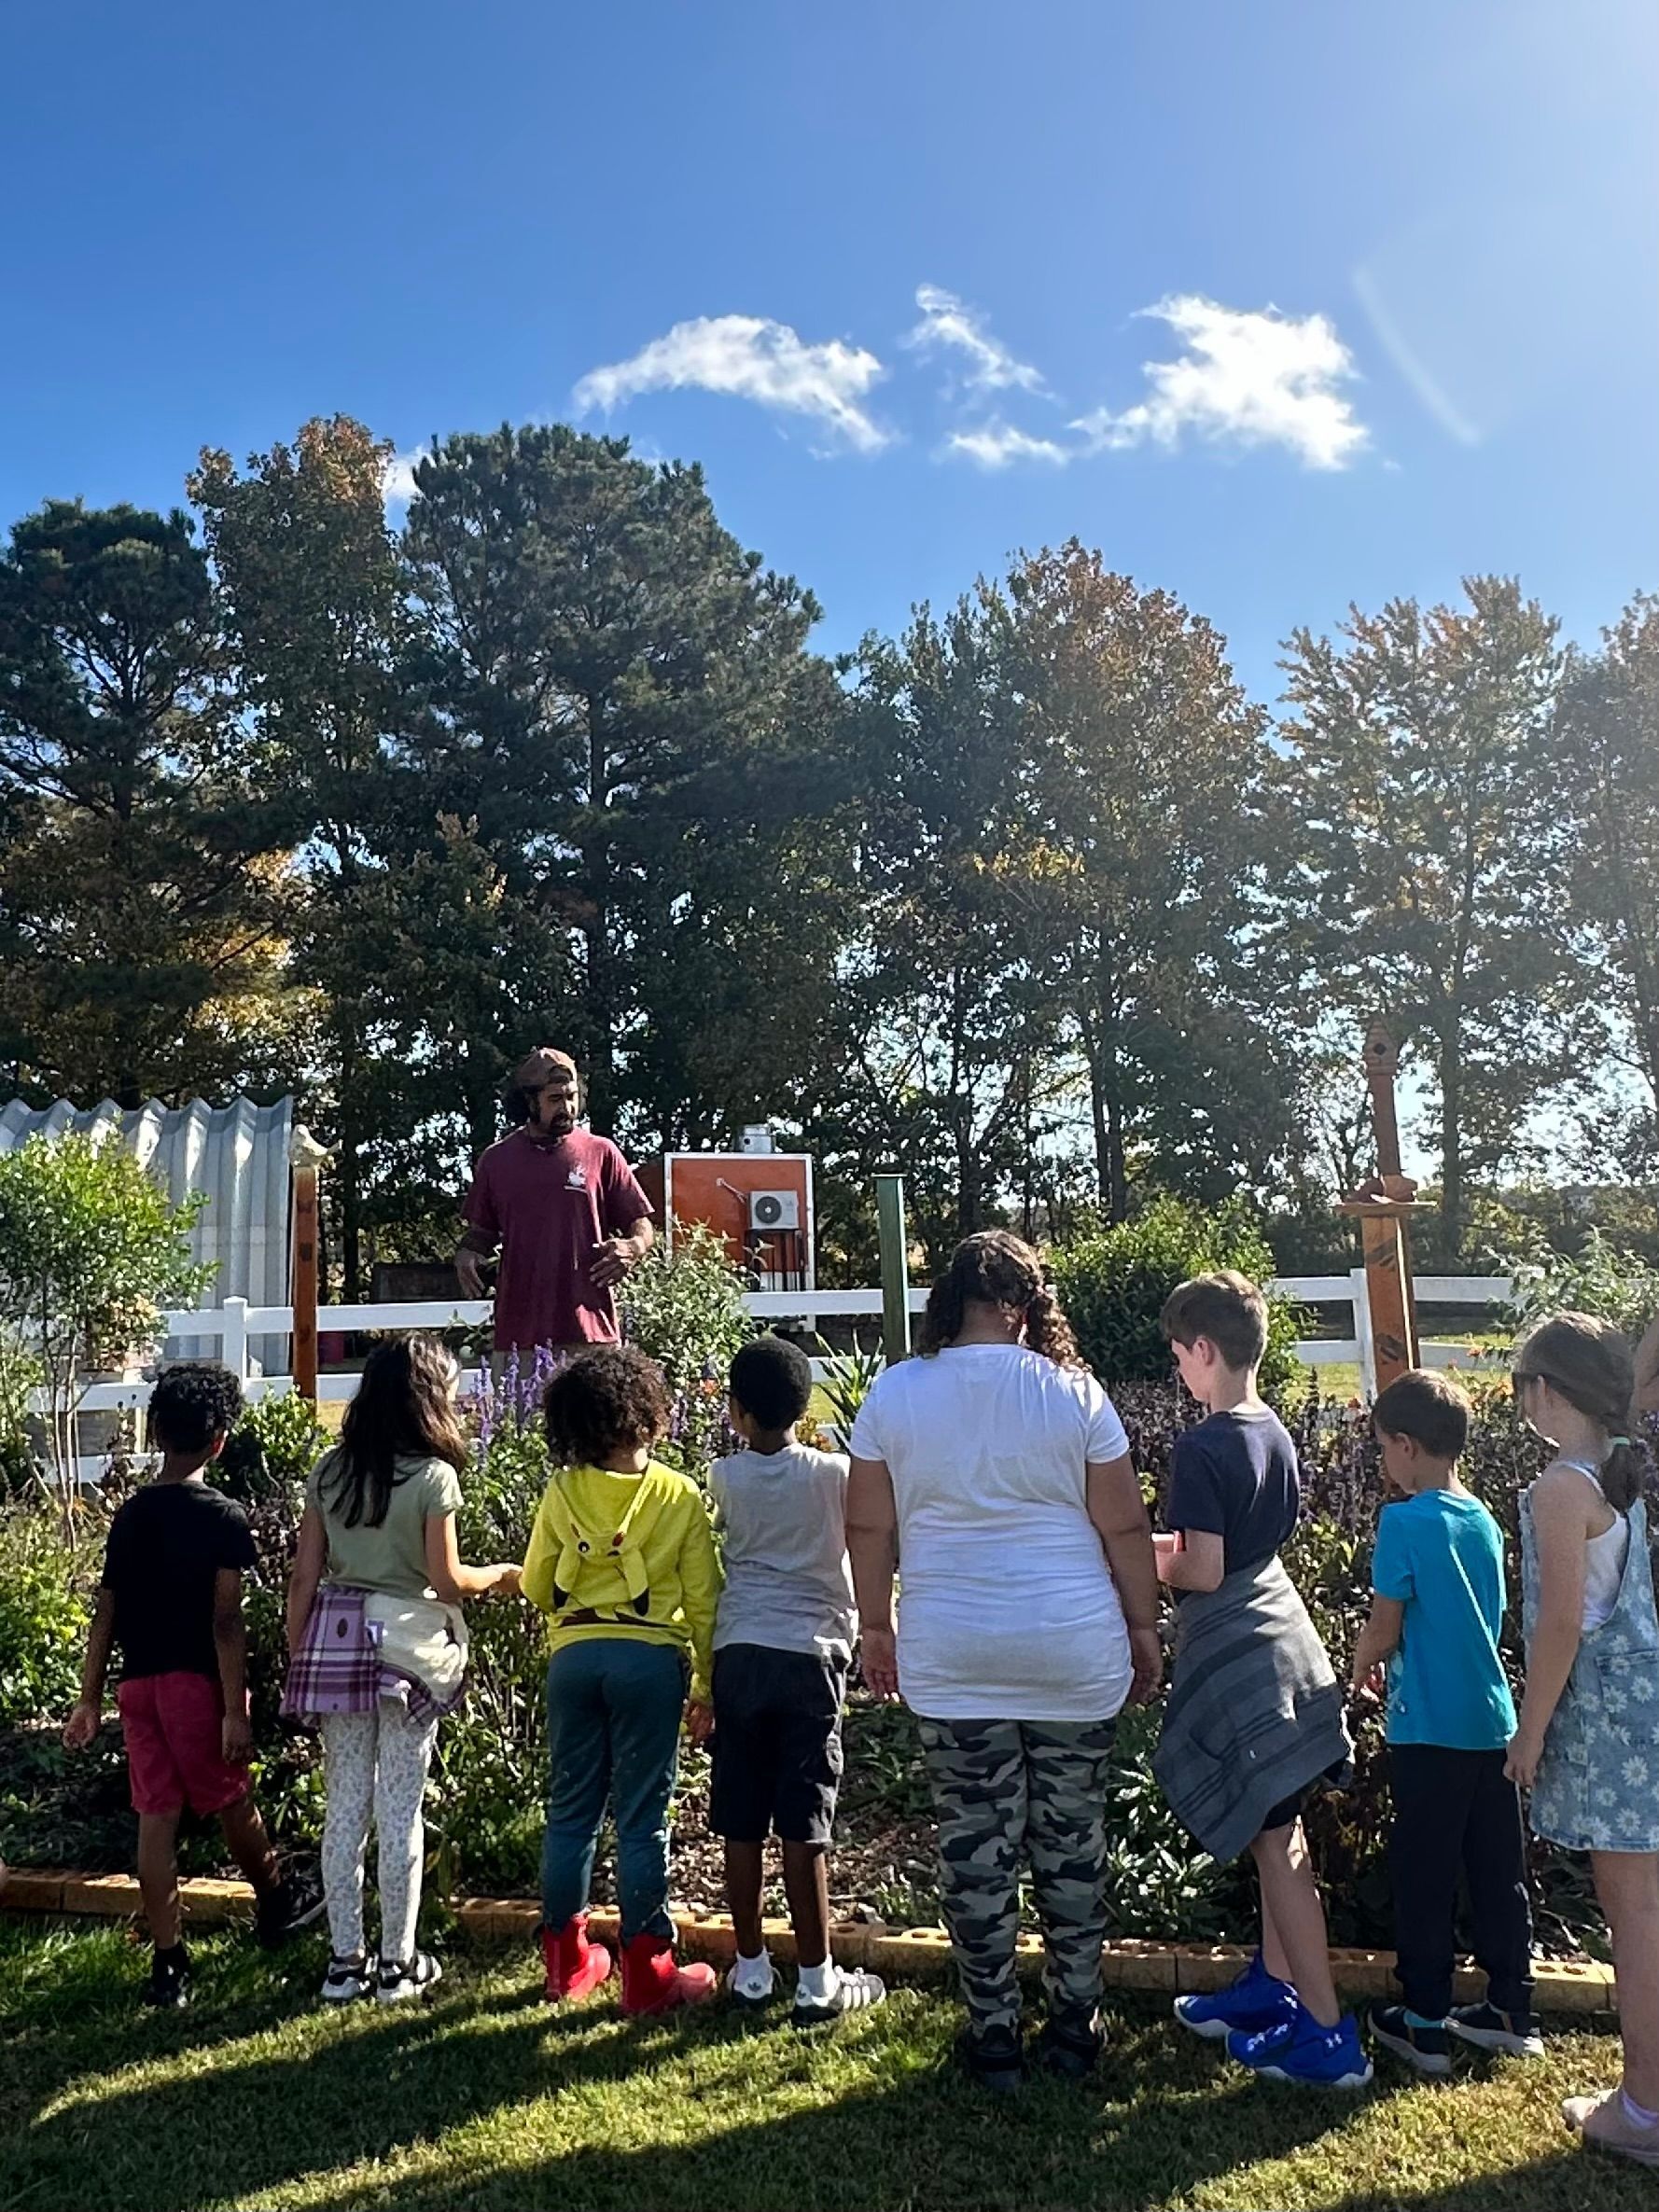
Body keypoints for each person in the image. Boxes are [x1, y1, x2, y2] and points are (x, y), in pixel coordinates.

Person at [846, 1231, 1161, 2093]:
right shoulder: (1075, 1391)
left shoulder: (894, 1392)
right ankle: (1075, 2027)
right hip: (1072, 1645)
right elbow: (1125, 1528)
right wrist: (1143, 1629)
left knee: (976, 1847)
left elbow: (869, 1527)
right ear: (1025, 1307)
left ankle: (992, 2036)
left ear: (948, 1302)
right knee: (1071, 1843)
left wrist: (878, 1628)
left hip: (952, 1651)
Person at [1154, 1272, 1370, 2091]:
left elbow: (1203, 1568)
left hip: (1247, 1663)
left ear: (1205, 1350)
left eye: (1180, 1356)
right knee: (1276, 1827)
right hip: (1288, 1649)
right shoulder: (1272, 1427)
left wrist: (1135, 1553)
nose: (1179, 1370)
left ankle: (1324, 2034)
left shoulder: (1203, 1446)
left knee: (1279, 1845)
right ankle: (1270, 1987)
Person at [63, 1362, 322, 2008]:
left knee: (156, 1816)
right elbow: (226, 1619)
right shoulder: (223, 1516)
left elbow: (107, 1608)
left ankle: (169, 1960)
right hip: (193, 1686)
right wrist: (235, 1709)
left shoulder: (131, 1515)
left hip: (138, 1686)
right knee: (232, 1799)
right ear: (220, 1440)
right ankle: (276, 1900)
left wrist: (90, 1696)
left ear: (157, 1431)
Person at [285, 1337, 521, 2005]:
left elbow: (304, 1575)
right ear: (427, 1399)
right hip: (408, 1649)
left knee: (345, 1807)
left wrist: (298, 1651)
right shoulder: (433, 1478)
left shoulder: (329, 1470)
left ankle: (343, 1963)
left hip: (336, 1641)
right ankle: (398, 1961)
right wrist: (500, 1575)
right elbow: (445, 1579)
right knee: (401, 1808)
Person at [1350, 1370, 1540, 2076]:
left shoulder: (1403, 1521)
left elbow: (1385, 1623)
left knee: (1425, 1871)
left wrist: (1360, 1667)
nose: (1381, 1465)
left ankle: (1425, 2018)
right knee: (1497, 1869)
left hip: (1426, 1727)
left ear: (1405, 1445)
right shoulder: (1483, 1518)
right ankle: (1511, 2006)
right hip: (1491, 1720)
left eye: (1382, 1451)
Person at [523, 1343, 721, 2014]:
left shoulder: (560, 1490)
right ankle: (647, 1970)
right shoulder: (679, 1494)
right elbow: (705, 1602)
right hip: (649, 1664)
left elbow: (536, 1585)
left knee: (571, 1810)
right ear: (649, 1411)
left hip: (575, 1658)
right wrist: (706, 1688)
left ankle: (566, 1961)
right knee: (643, 1818)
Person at [1509, 1313, 1659, 2169]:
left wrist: (1530, 1733)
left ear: (1545, 1390)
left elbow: (1562, 1623)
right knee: (1640, 1910)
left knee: (1633, 1916)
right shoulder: (1606, 1472)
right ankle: (1643, 2092)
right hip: (1639, 1714)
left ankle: (1644, 2107)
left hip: (1607, 1726)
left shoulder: (1558, 1488)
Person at [708, 1335, 885, 2024]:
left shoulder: (723, 1477)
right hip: (812, 1654)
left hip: (740, 1648)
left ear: (737, 1413)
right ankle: (817, 1977)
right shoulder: (834, 1474)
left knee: (741, 1816)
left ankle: (750, 1968)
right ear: (803, 1406)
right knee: (805, 1820)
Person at [455, 1048, 655, 1360]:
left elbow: (641, 1223)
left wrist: (634, 1247)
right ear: (528, 1102)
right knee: (513, 1412)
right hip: (518, 1341)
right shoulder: (496, 1161)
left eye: (572, 1097)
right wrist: (467, 1255)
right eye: (555, 1099)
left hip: (591, 1334)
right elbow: (481, 1233)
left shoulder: (602, 1153)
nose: (568, 1108)